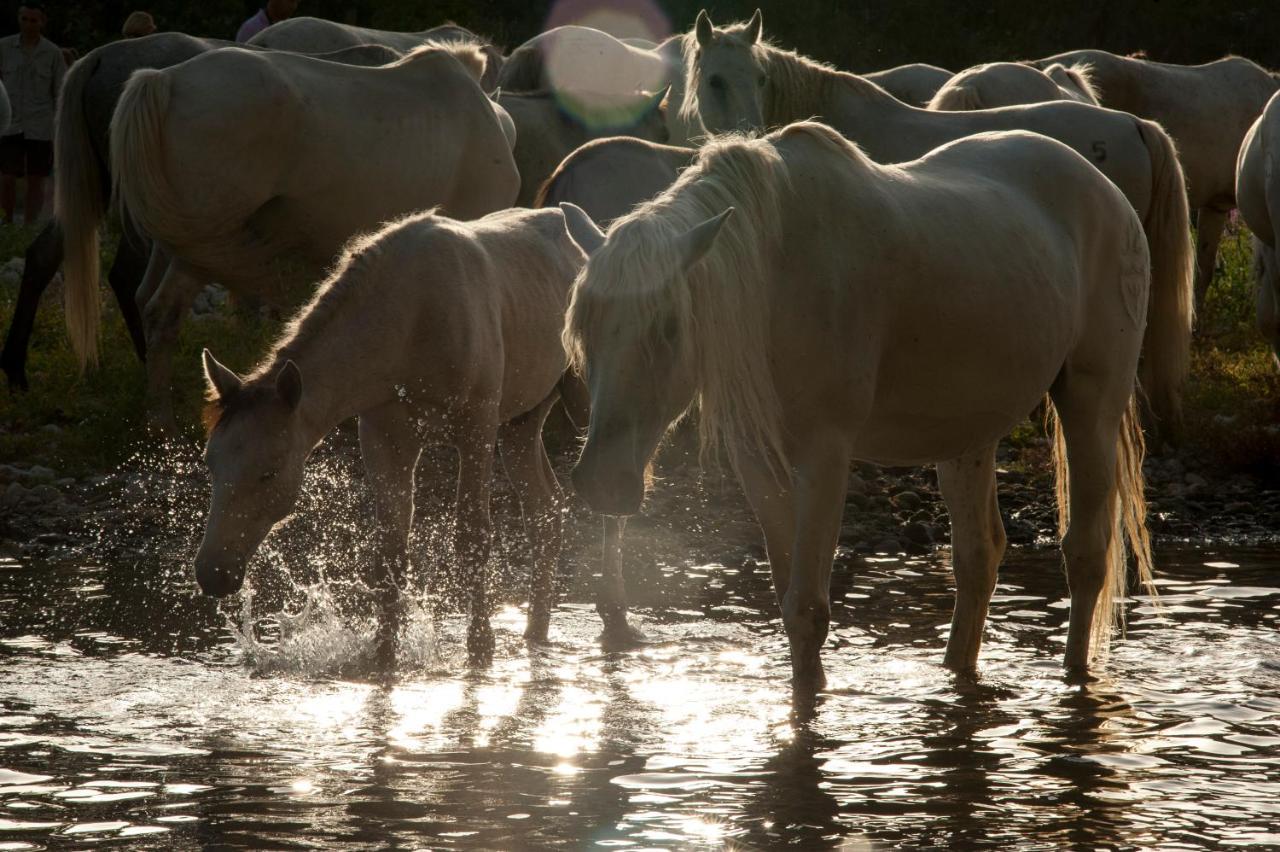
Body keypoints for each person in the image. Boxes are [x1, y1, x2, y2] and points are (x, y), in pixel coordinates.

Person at [0, 3, 64, 226]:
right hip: (9, 122)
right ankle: (6, 223)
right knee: (6, 176)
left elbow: (60, 92)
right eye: (24, 19)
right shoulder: (4, 47)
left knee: (36, 178)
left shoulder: (53, 53)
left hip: (40, 124)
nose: (28, 24)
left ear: (42, 22)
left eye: (33, 20)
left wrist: (58, 128)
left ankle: (29, 226)